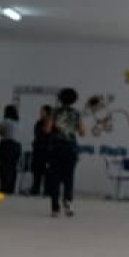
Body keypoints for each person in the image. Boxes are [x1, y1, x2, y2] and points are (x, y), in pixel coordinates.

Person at [47, 87, 84, 217]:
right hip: (71, 148)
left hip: (56, 147)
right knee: (69, 177)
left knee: (55, 178)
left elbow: (47, 129)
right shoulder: (76, 113)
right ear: (74, 100)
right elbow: (82, 132)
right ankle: (68, 203)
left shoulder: (54, 112)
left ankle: (55, 208)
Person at [0, 104, 23, 194]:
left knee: (4, 167)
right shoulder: (18, 123)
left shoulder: (5, 121)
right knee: (13, 167)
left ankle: (4, 187)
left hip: (7, 145)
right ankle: (11, 187)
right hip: (17, 146)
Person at [29, 104, 55, 196]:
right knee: (37, 170)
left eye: (42, 111)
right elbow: (37, 133)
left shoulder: (53, 123)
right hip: (38, 149)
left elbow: (49, 133)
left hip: (48, 150)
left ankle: (47, 190)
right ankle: (35, 188)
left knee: (48, 171)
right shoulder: (39, 122)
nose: (40, 113)